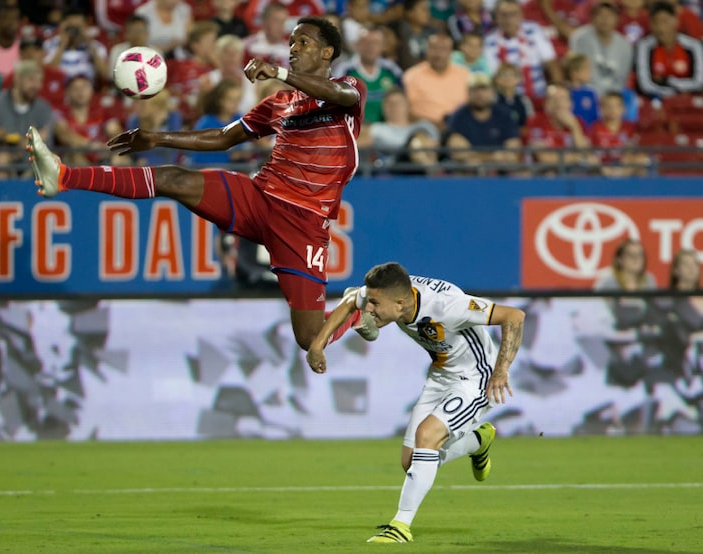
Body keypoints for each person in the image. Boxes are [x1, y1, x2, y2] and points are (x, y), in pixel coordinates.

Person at [26, 17, 374, 351]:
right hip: (259, 197)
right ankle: (64, 176)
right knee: (172, 178)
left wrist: (279, 73)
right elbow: (223, 138)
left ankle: (357, 309)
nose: (294, 48)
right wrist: (157, 138)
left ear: (327, 52)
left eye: (304, 42)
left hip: (303, 224)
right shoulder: (281, 103)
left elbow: (337, 95)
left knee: (310, 337)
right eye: (292, 42)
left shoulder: (350, 88)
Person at [305, 261, 525, 543]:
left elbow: (514, 316)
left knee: (427, 436)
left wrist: (501, 370)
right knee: (412, 463)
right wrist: (317, 345)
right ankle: (477, 442)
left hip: (475, 378)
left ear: (400, 303)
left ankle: (400, 526)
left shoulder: (448, 306)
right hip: (440, 375)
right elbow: (350, 300)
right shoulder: (391, 294)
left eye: (374, 303)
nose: (368, 308)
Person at [446, 72, 522, 172]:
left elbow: (514, 151)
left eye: (484, 89)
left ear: (492, 91)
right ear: (468, 93)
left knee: (521, 171)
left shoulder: (504, 115)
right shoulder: (459, 116)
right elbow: (458, 152)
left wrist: (477, 156)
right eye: (475, 90)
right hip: (470, 171)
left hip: (501, 170)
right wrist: (493, 157)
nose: (480, 94)